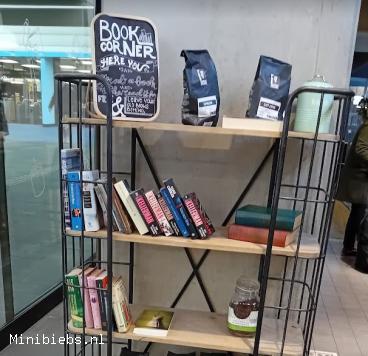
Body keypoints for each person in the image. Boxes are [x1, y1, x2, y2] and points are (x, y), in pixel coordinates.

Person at [337, 97, 368, 273]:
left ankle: (349, 246)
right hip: (359, 178)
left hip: (360, 177)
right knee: (360, 210)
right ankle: (352, 248)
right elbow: (361, 148)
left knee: (358, 211)